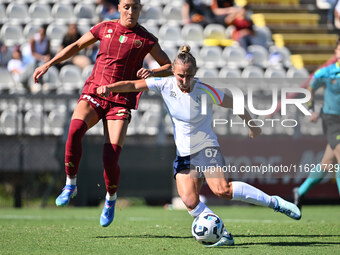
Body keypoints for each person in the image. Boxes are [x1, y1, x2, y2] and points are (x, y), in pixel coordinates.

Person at [97, 45, 302, 247]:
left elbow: (235, 103)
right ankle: (223, 234)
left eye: (188, 76)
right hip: (184, 154)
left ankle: (274, 203)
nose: (184, 81)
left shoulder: (204, 90)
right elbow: (133, 85)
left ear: (195, 73)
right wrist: (109, 88)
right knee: (189, 200)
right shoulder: (164, 84)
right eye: (180, 76)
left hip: (206, 147)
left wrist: (251, 123)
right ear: (173, 72)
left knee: (222, 189)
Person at [32, 0, 171, 227]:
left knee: (110, 157)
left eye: (135, 7)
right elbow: (77, 45)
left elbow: (169, 66)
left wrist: (153, 71)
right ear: (118, 7)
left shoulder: (146, 38)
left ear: (140, 10)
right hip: (95, 92)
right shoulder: (105, 28)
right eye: (127, 6)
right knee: (75, 130)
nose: (131, 11)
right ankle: (71, 184)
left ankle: (110, 199)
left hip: (121, 100)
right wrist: (49, 63)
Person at [293, 40, 340, 209]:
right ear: (336, 51)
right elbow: (310, 90)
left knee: (327, 163)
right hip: (332, 120)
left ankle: (301, 190)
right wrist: (311, 109)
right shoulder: (326, 73)